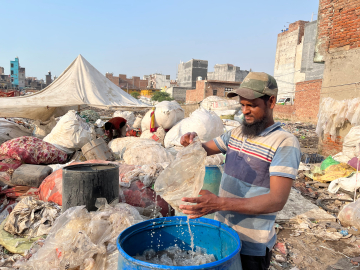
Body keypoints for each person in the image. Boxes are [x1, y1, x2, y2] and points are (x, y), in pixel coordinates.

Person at [179, 72, 300, 270]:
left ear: (271, 101)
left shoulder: (284, 142)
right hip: (225, 235)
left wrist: (219, 203)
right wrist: (191, 141)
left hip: (252, 244)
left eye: (251, 105)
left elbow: (277, 200)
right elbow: (202, 150)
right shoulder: (237, 133)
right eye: (242, 105)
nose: (245, 111)